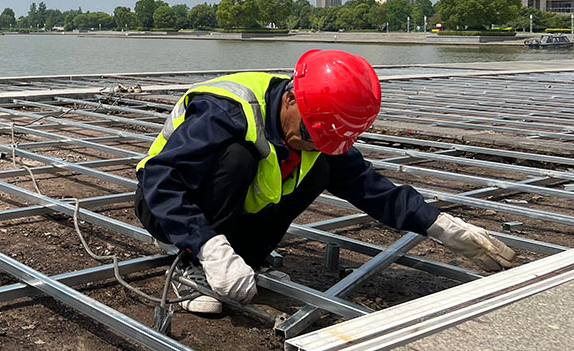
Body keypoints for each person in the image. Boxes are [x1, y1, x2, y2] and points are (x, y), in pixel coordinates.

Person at [134, 49, 516, 315]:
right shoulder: (227, 109)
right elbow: (161, 178)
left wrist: (440, 226)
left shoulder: (319, 127)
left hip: (228, 211)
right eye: (311, 133)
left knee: (320, 167)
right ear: (290, 99)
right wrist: (210, 249)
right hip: (165, 206)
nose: (314, 143)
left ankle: (249, 256)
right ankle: (192, 267)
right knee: (237, 158)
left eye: (326, 139)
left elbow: (370, 187)